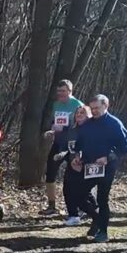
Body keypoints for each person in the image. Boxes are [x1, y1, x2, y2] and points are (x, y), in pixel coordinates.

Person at [75, 94, 127, 242]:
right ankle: (97, 219)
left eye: (97, 108)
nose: (94, 111)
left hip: (107, 166)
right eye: (92, 108)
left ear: (105, 106)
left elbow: (126, 147)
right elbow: (79, 143)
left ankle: (103, 231)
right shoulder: (87, 124)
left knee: (102, 198)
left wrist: (108, 157)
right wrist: (77, 156)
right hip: (89, 166)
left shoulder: (114, 124)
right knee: (78, 196)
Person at [42, 79, 85, 214]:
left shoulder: (78, 105)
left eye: (63, 91)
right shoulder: (56, 105)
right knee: (50, 173)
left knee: (76, 174)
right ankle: (51, 206)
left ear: (70, 91)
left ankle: (82, 205)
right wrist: (52, 131)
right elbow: (57, 123)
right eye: (58, 91)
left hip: (72, 145)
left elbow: (81, 125)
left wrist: (64, 127)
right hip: (58, 143)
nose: (60, 94)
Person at [56, 103, 93, 226]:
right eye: (77, 113)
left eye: (82, 113)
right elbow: (66, 147)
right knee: (67, 189)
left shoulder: (91, 130)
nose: (79, 115)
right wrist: (61, 154)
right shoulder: (71, 131)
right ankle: (73, 215)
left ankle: (94, 211)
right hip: (72, 165)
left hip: (87, 165)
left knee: (83, 193)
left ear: (88, 115)